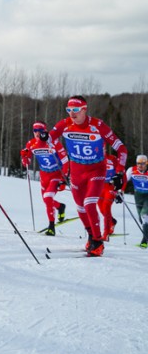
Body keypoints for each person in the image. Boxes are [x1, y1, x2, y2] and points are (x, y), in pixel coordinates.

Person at [48, 96, 127, 257]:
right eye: (68, 110)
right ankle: (91, 236)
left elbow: (122, 149)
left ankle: (98, 242)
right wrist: (43, 138)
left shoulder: (98, 126)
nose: (72, 113)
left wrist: (119, 171)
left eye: (75, 110)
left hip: (96, 171)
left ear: (84, 109)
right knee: (80, 208)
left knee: (90, 204)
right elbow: (49, 137)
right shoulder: (65, 124)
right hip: (76, 173)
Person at [20, 121, 69, 236]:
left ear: (45, 131)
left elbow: (65, 160)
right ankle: (60, 207)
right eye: (35, 131)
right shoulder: (31, 144)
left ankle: (51, 227)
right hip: (44, 175)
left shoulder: (53, 143)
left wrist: (64, 178)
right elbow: (26, 162)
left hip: (56, 174)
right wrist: (24, 157)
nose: (37, 133)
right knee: (46, 201)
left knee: (48, 198)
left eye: (40, 131)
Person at [125, 154, 148, 248]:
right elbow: (124, 180)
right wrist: (119, 189)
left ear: (146, 164)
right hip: (138, 195)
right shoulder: (132, 170)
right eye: (138, 163)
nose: (140, 166)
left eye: (142, 164)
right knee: (141, 219)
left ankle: (144, 241)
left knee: (144, 215)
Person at [98, 152, 119, 241]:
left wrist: (120, 190)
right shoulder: (95, 158)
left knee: (106, 208)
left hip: (110, 187)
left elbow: (122, 175)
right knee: (101, 209)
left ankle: (105, 234)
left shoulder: (113, 159)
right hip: (99, 186)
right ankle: (112, 222)